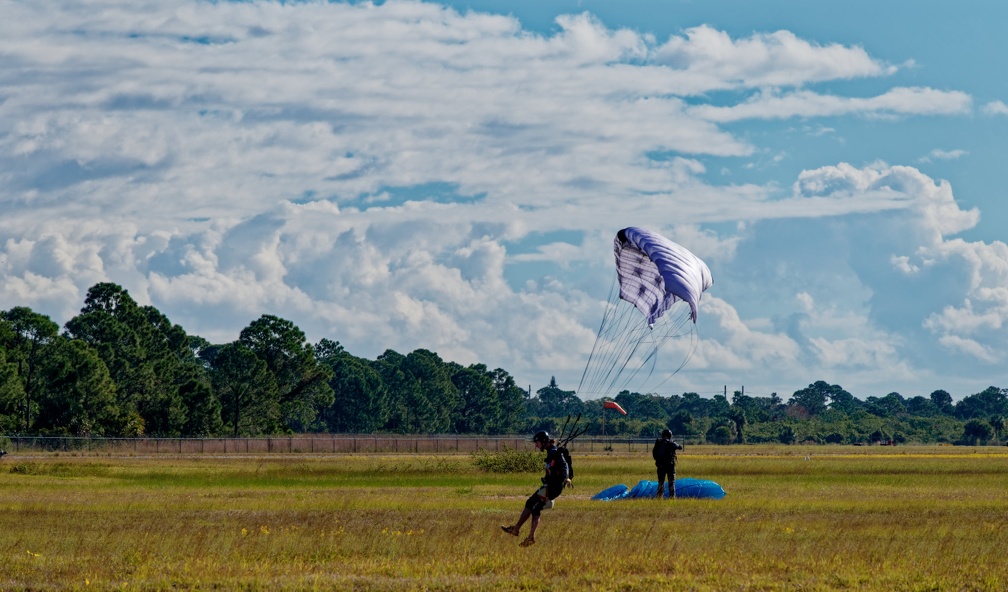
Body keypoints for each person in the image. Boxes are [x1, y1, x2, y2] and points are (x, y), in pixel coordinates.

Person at [500, 430, 572, 547]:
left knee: (530, 503)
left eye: (537, 442)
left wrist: (566, 478)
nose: (536, 445)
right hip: (549, 486)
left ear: (543, 441)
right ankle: (530, 537)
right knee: (535, 507)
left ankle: (517, 529)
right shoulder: (551, 452)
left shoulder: (554, 452)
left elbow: (564, 465)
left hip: (553, 487)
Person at [652, 428, 683, 499]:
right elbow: (680, 447)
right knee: (671, 482)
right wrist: (674, 443)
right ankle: (672, 497)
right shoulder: (671, 443)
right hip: (670, 466)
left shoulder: (658, 443)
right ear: (670, 435)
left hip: (660, 466)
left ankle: (659, 497)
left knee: (661, 482)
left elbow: (654, 454)